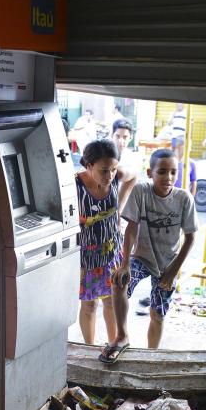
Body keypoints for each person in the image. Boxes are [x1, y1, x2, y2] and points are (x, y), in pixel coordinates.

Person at [101, 149, 197, 362]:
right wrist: (124, 263)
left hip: (168, 264)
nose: (168, 177)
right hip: (141, 259)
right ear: (150, 172)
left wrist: (173, 272)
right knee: (119, 283)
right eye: (162, 172)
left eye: (173, 172)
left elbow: (190, 239)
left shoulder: (184, 198)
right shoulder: (141, 191)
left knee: (157, 313)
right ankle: (122, 336)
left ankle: (151, 355)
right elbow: (131, 229)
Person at [77, 139, 137, 347]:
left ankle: (114, 344)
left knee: (111, 302)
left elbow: (133, 177)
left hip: (111, 252)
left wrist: (120, 204)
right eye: (104, 170)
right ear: (88, 165)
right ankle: (89, 347)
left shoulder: (118, 177)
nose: (110, 175)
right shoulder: (75, 185)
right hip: (85, 258)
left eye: (113, 169)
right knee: (89, 306)